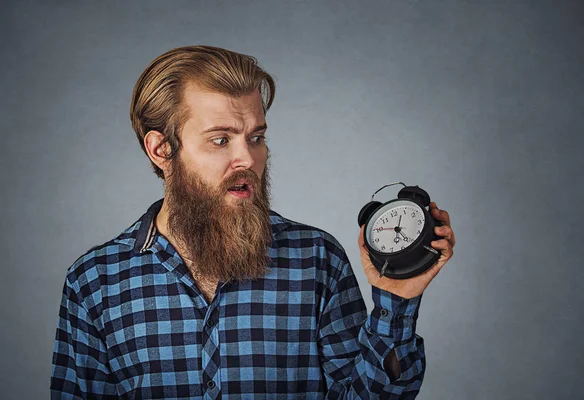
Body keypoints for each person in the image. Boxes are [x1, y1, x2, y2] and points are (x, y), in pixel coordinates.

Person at [50, 45, 455, 399]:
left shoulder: (318, 260)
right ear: (161, 149)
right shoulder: (94, 283)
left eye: (256, 137)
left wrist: (396, 302)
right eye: (221, 139)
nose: (248, 160)